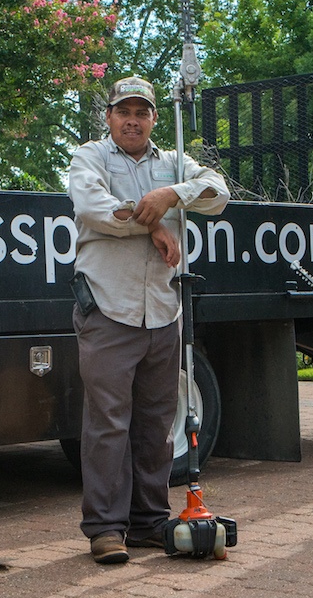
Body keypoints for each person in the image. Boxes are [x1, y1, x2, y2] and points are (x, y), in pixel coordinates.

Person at [67, 75, 230, 564]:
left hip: (163, 310)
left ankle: (147, 522)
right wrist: (154, 220)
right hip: (108, 308)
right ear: (110, 117)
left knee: (157, 424)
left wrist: (173, 193)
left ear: (155, 118)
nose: (132, 119)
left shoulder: (173, 162)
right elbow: (95, 210)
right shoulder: (88, 157)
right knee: (107, 424)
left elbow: (218, 194)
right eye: (123, 111)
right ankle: (105, 527)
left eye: (142, 111)